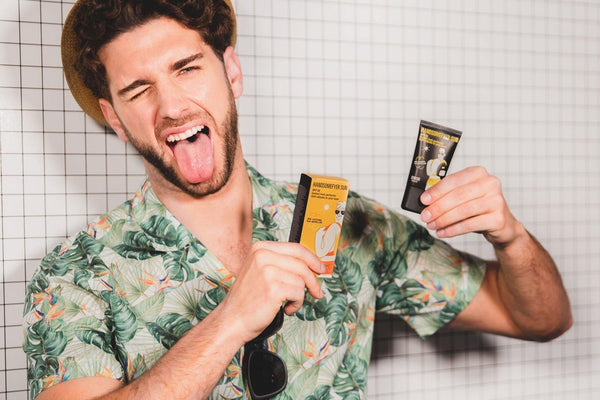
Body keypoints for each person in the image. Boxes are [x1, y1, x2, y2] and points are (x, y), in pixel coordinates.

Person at [22, 1, 572, 399]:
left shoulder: (349, 223)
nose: (171, 107)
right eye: (139, 90)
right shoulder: (75, 274)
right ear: (115, 118)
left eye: (186, 69)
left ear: (231, 72)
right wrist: (228, 322)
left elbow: (541, 318)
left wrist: (510, 237)